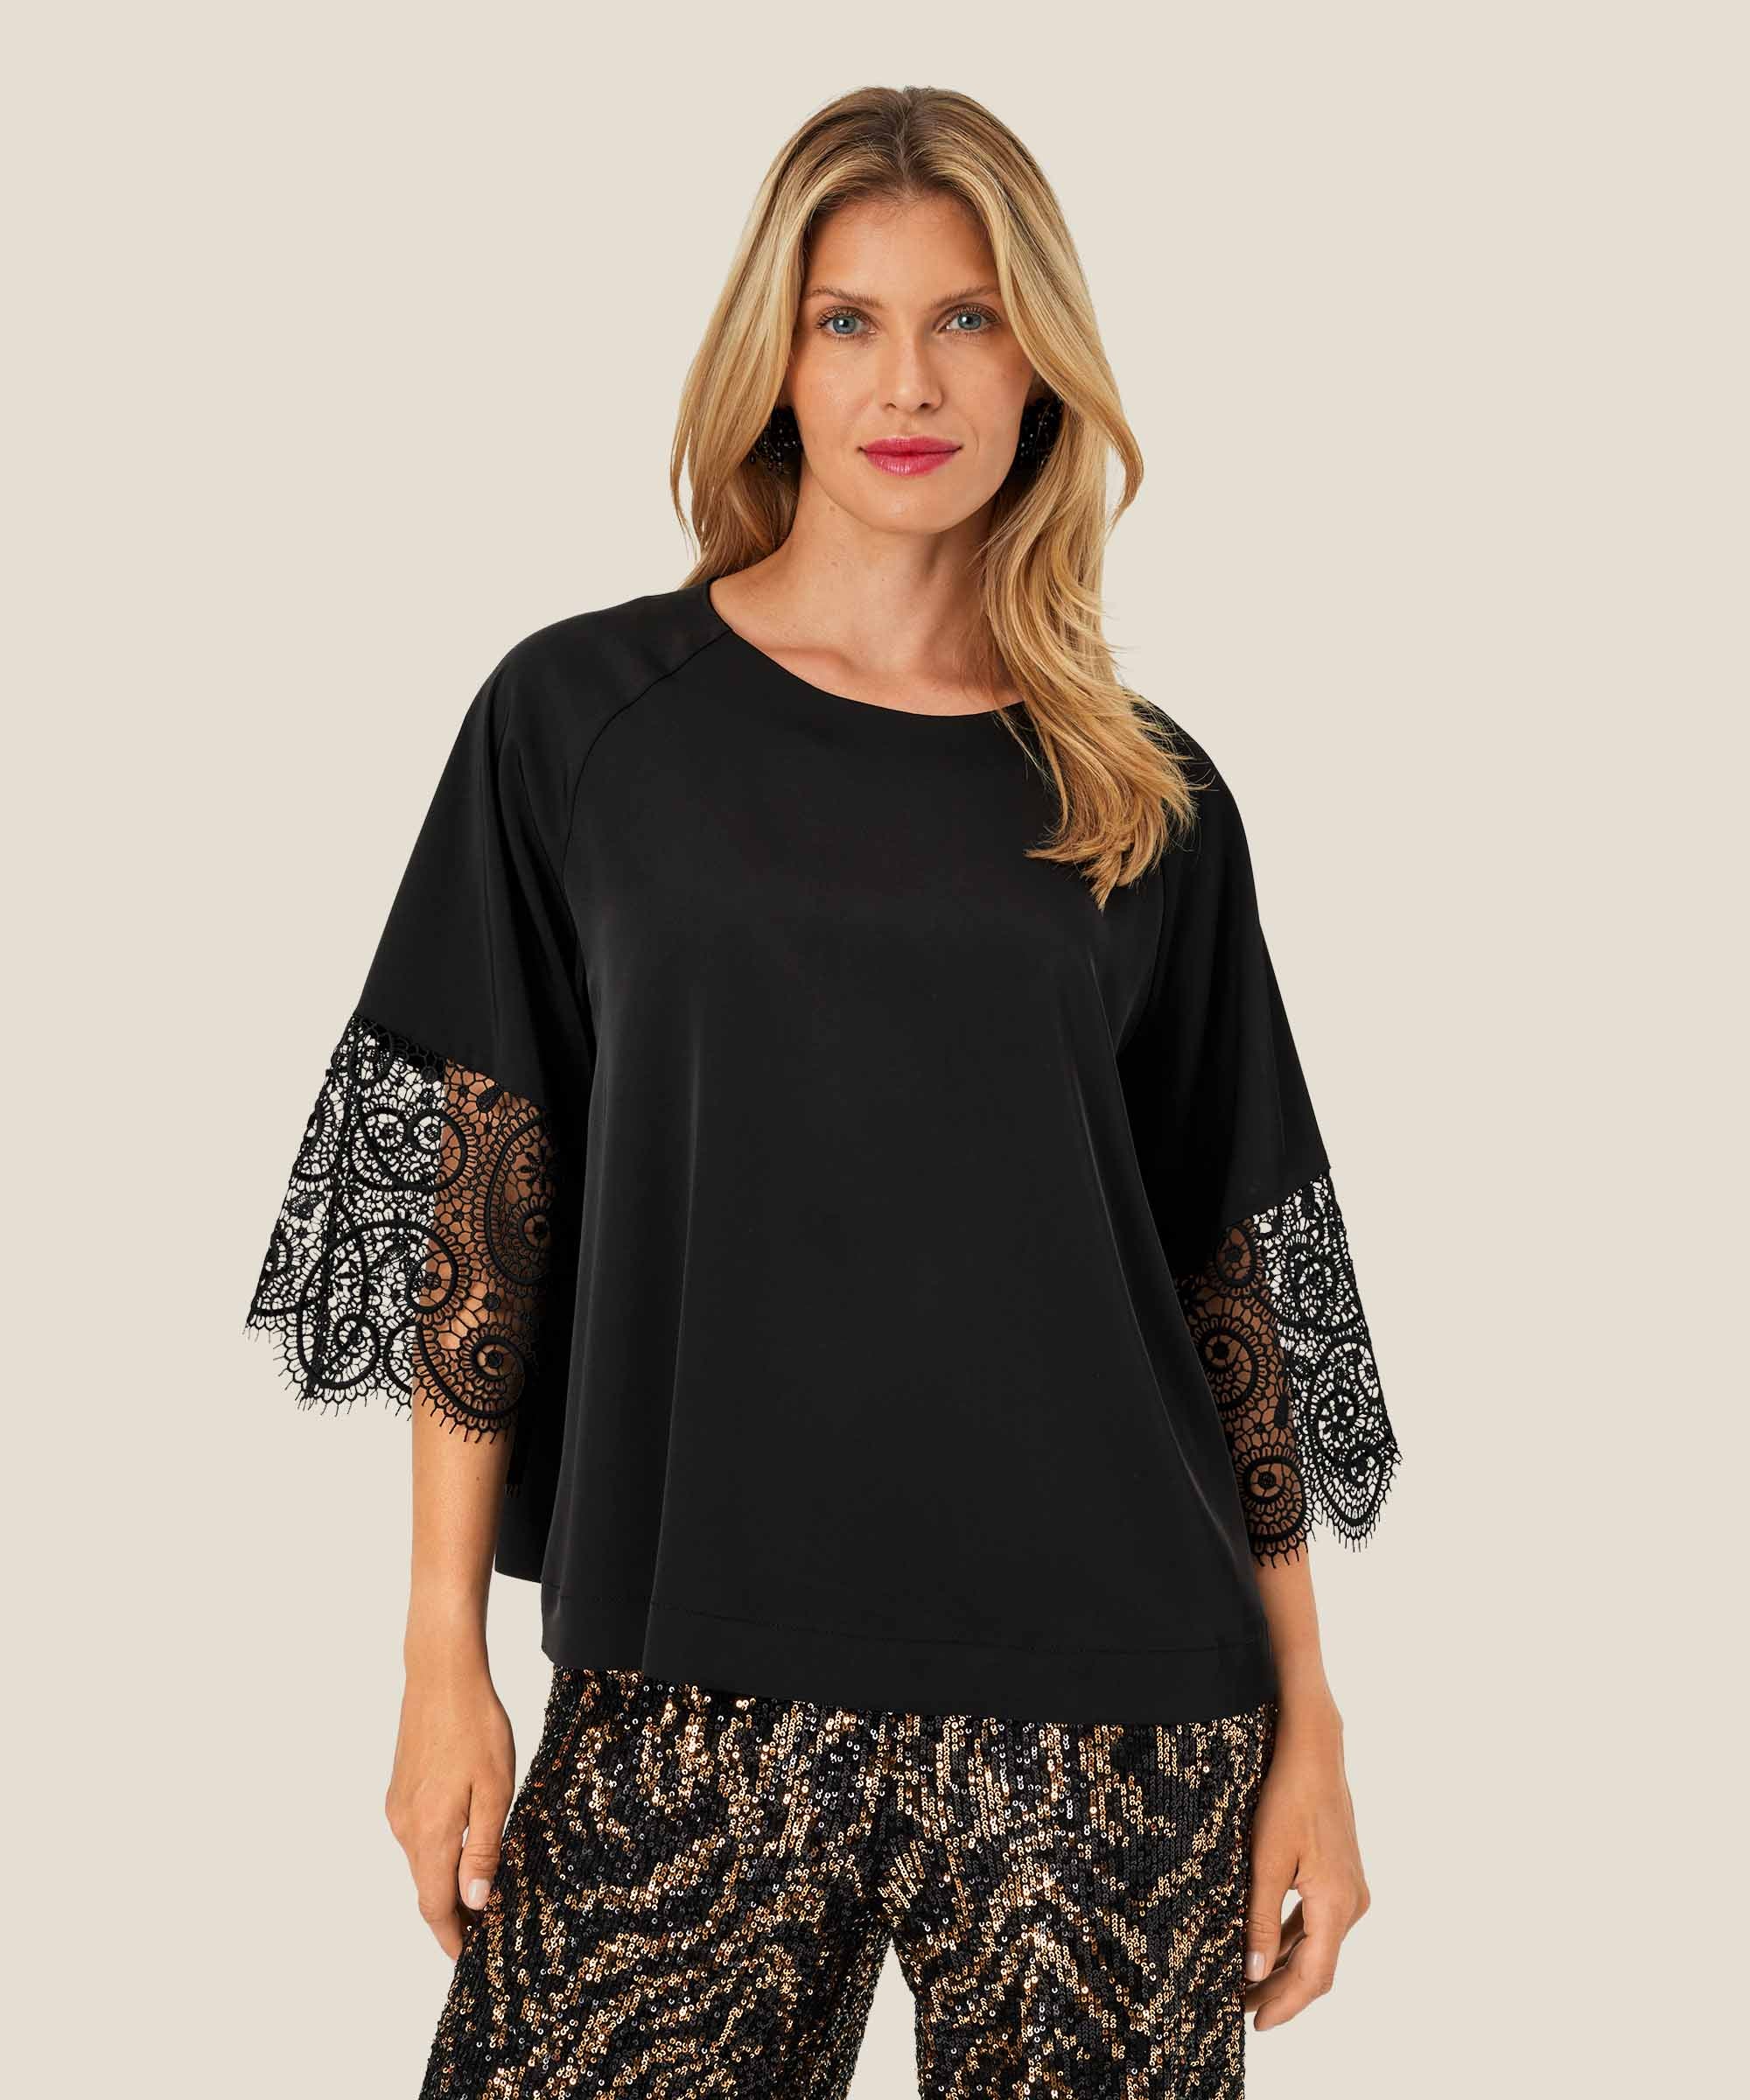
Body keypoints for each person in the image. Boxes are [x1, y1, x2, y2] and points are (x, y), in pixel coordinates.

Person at [245, 83, 1403, 2100]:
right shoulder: (585, 722)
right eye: (846, 319)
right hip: (684, 1684)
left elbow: (1227, 1273)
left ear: (1039, 361)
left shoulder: (1141, 793)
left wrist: (1312, 1721)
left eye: (966, 319)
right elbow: (480, 1206)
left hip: (1110, 1717)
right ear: (771, 359)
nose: (908, 381)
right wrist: (441, 1656)